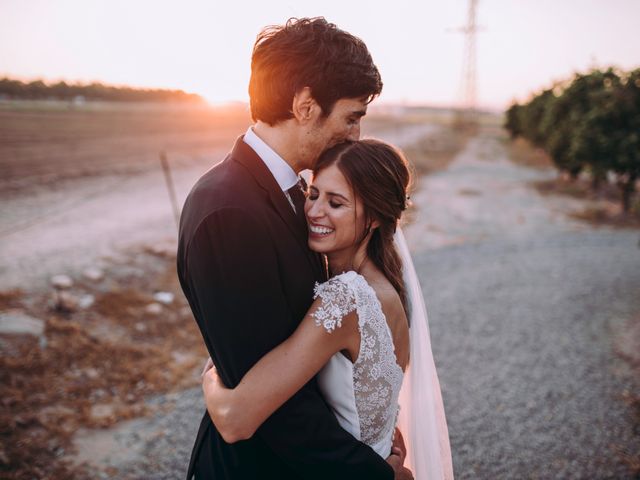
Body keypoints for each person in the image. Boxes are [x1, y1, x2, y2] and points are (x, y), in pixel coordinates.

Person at [177, 17, 411, 480]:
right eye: (352, 117)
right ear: (305, 105)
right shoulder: (230, 209)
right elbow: (273, 411)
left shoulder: (291, 195)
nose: (355, 136)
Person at [202, 140, 454, 480]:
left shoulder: (347, 298)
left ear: (376, 217)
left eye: (336, 203)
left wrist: (212, 374)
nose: (315, 211)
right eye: (314, 194)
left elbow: (234, 419)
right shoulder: (390, 287)